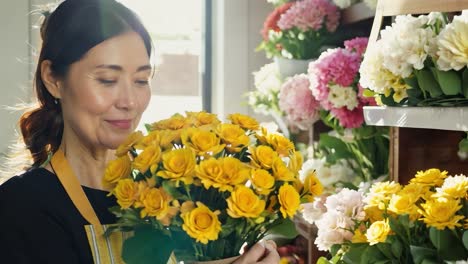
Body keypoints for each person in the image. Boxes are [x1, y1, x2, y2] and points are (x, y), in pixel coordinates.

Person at [0, 0, 280, 263]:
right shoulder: (19, 207)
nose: (130, 102)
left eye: (141, 80)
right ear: (53, 79)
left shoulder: (170, 196)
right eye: (107, 80)